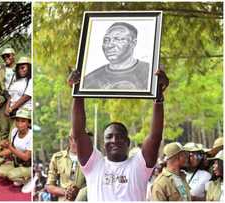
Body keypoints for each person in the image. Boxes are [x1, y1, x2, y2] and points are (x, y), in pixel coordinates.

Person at [69, 67, 168, 201]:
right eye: (109, 137)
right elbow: (79, 134)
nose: (114, 140)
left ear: (128, 142)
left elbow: (155, 137)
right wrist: (77, 94)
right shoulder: (94, 164)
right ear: (103, 144)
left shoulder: (140, 165)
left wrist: (158, 98)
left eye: (120, 136)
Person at [83, 22, 150, 90]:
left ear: (133, 43)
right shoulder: (90, 79)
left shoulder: (149, 73)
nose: (109, 45)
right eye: (106, 40)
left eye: (118, 39)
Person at [0, 108, 32, 186]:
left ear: (29, 123)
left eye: (23, 121)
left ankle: (29, 180)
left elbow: (26, 157)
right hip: (16, 162)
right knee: (0, 171)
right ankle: (20, 175)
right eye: (17, 120)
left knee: (11, 175)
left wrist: (9, 146)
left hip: (28, 165)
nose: (19, 124)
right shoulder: (15, 131)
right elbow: (11, 150)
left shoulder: (31, 136)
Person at [45, 130, 87, 201]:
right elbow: (49, 186)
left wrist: (80, 192)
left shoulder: (90, 158)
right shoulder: (58, 158)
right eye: (77, 138)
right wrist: (66, 192)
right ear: (70, 139)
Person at [0, 48, 16, 138]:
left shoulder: (19, 68)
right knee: (3, 125)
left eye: (8, 55)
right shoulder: (2, 69)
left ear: (13, 56)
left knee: (14, 126)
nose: (6, 58)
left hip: (17, 100)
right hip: (5, 98)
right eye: (4, 56)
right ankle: (3, 146)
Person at [4, 57, 32, 131]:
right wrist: (7, 108)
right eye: (19, 68)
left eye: (23, 68)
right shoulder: (16, 81)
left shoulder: (30, 80)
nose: (21, 70)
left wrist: (11, 108)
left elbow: (26, 97)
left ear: (29, 68)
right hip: (12, 113)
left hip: (23, 112)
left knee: (14, 134)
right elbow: (10, 96)